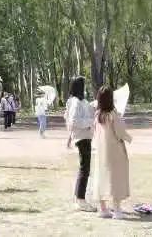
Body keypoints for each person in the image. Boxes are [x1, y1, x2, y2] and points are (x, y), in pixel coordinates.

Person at [92, 85, 132, 220]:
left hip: (100, 150)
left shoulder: (97, 115)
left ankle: (103, 209)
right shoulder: (113, 115)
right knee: (116, 178)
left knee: (101, 177)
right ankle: (117, 210)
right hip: (114, 151)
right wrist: (129, 138)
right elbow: (120, 132)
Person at [65, 76, 95, 212]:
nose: (85, 87)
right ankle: (80, 200)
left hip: (85, 136)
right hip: (82, 137)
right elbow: (73, 121)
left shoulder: (81, 101)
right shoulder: (75, 102)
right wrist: (89, 123)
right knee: (84, 169)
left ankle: (79, 198)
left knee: (85, 168)